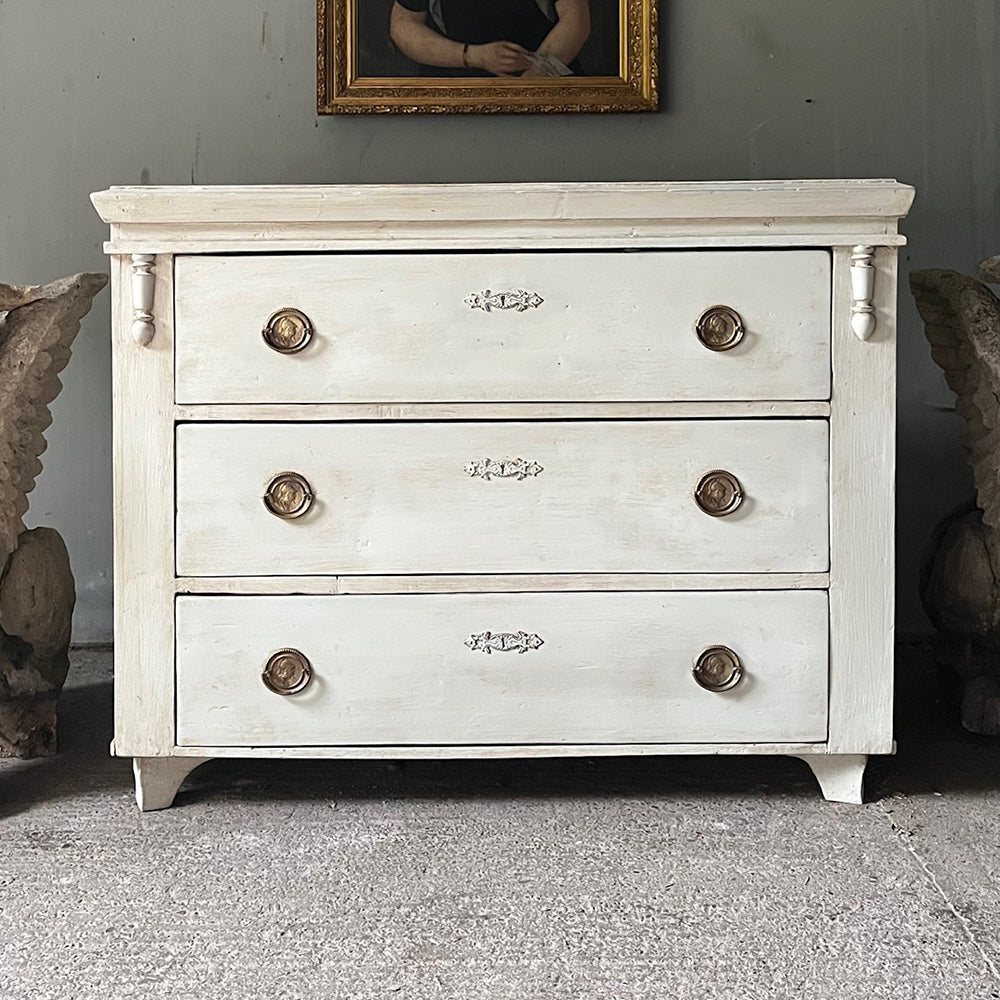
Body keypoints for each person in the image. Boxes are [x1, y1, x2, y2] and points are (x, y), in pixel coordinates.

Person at [389, 0, 591, 78]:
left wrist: (536, 76)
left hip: (546, 93)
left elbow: (576, 19)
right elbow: (403, 26)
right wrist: (475, 56)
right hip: (455, 96)